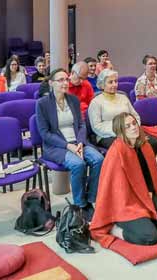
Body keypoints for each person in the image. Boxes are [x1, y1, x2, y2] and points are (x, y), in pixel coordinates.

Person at [90, 112, 157, 247]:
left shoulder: (144, 145)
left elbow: (149, 176)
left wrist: (150, 193)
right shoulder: (116, 153)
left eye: (134, 123)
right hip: (126, 203)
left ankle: (147, 219)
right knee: (150, 237)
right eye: (127, 126)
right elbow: (115, 192)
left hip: (146, 196)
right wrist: (140, 198)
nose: (133, 127)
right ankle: (115, 229)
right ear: (120, 131)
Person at [36, 68, 104, 221]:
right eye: (60, 80)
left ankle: (90, 199)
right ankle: (79, 204)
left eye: (66, 79)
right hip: (56, 147)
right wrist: (69, 146)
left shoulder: (73, 100)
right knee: (78, 164)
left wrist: (79, 142)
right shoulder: (42, 104)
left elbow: (81, 125)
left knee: (99, 159)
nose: (65, 83)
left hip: (77, 142)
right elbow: (45, 133)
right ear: (51, 83)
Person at [88, 69, 157, 154]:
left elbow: (135, 116)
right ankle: (132, 167)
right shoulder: (96, 102)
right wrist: (120, 132)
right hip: (108, 135)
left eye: (116, 81)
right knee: (127, 146)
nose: (114, 84)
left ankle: (144, 167)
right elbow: (96, 126)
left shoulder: (123, 97)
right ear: (102, 85)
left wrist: (134, 129)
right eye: (110, 82)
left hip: (129, 131)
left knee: (153, 142)